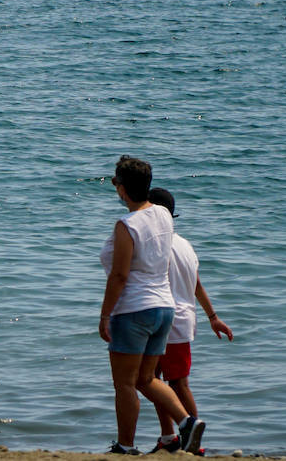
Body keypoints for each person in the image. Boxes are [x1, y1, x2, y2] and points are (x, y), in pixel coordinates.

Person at [98, 159, 201, 455]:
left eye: (116, 182)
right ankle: (187, 423)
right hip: (164, 309)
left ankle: (126, 446)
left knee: (125, 384)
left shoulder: (126, 225)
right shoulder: (163, 215)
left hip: (133, 309)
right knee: (146, 379)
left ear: (122, 188)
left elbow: (120, 275)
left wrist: (105, 314)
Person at [146, 188, 234, 454]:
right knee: (157, 381)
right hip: (183, 320)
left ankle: (193, 440)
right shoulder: (184, 244)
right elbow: (196, 284)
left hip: (165, 320)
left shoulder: (157, 245)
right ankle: (168, 438)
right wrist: (213, 316)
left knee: (171, 384)